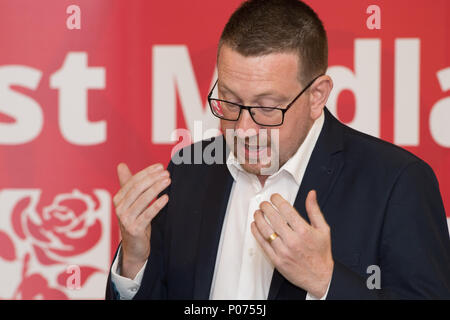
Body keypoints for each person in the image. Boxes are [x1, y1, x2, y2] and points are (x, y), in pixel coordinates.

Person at [105, 0, 450, 299]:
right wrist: (135, 261)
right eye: (229, 101)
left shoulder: (397, 182)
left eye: (266, 108)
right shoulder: (188, 169)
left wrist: (325, 282)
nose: (242, 130)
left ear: (317, 96)